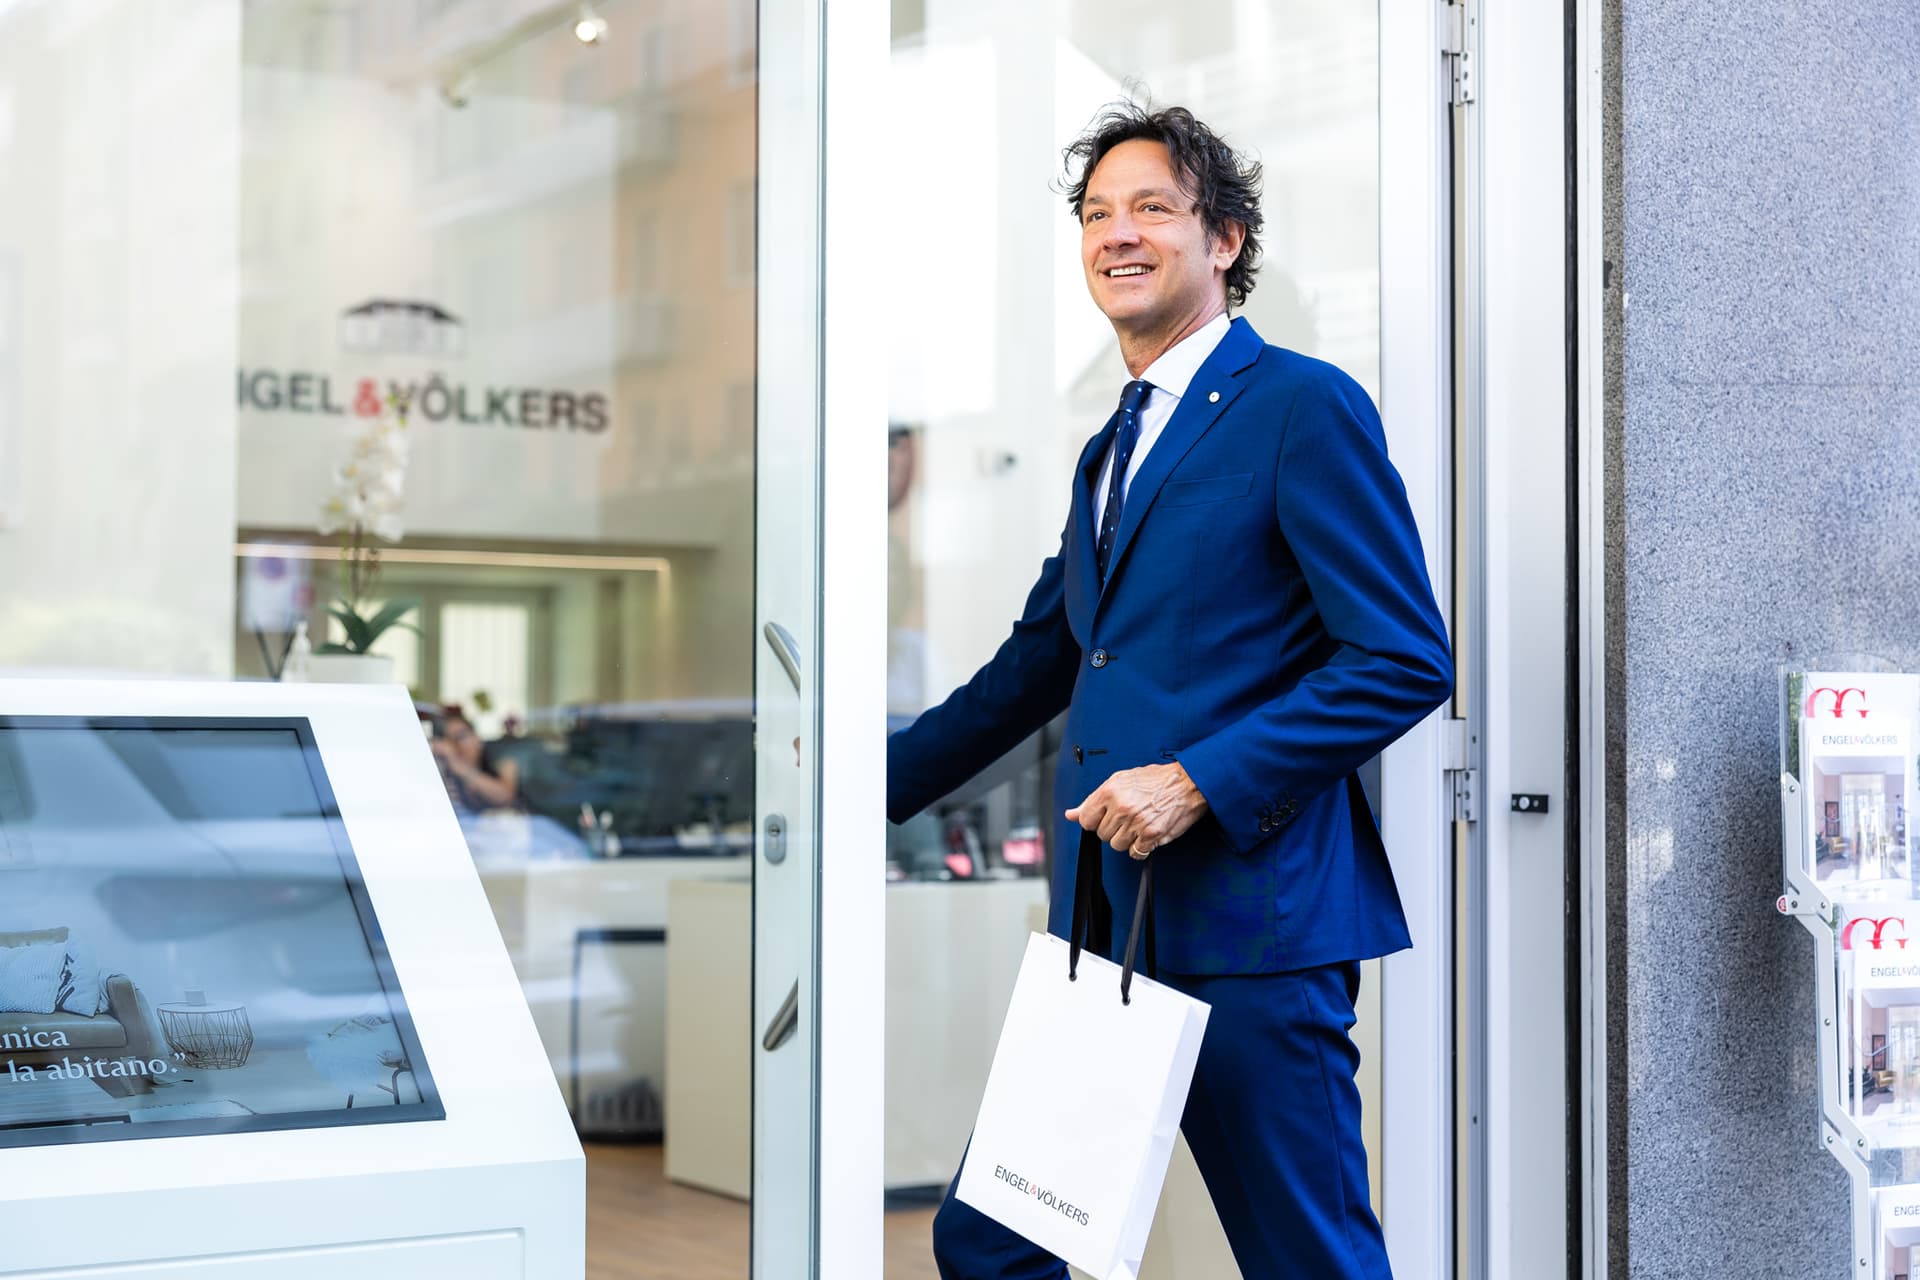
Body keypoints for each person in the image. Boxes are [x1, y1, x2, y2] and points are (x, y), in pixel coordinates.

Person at [886, 102, 1453, 1279]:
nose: (1118, 232)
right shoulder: (1113, 444)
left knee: (1310, 1260)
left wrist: (1202, 776)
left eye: (1152, 206)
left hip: (1257, 931)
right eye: (1097, 212)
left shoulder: (1301, 404)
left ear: (1226, 240)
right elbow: (1036, 667)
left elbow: (1404, 654)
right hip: (1111, 933)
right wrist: (846, 790)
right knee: (994, 1245)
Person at [429, 704, 520, 813]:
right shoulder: (444, 771)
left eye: (460, 737)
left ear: (477, 739)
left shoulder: (500, 758)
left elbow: (504, 797)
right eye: (447, 739)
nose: (453, 746)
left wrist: (457, 764)